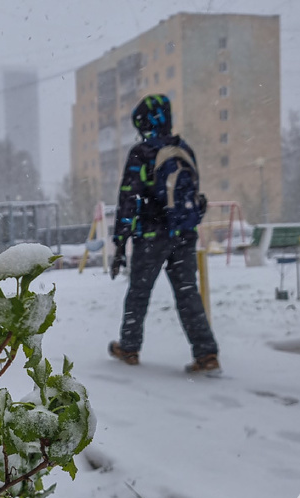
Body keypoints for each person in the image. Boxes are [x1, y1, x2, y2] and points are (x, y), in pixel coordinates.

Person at [107, 94, 220, 375]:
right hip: (184, 233)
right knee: (187, 293)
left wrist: (120, 241)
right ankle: (206, 354)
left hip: (151, 235)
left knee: (138, 292)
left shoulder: (142, 153)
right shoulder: (185, 150)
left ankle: (130, 348)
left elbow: (128, 198)